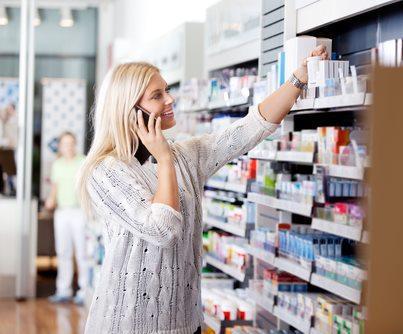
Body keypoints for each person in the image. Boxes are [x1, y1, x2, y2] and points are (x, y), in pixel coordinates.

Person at [78, 46, 328, 333]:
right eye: (157, 96)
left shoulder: (184, 155)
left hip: (186, 321)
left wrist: (298, 78)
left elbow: (247, 130)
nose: (170, 99)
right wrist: (164, 159)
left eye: (167, 90)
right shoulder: (105, 171)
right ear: (130, 111)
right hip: (128, 324)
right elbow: (162, 229)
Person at [45, 131, 87, 306]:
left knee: (82, 253)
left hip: (80, 212)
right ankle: (63, 291)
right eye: (64, 144)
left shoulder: (83, 161)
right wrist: (50, 200)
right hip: (62, 212)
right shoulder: (57, 164)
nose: (68, 147)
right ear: (60, 146)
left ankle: (84, 291)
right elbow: (55, 188)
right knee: (63, 252)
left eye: (71, 143)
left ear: (75, 144)